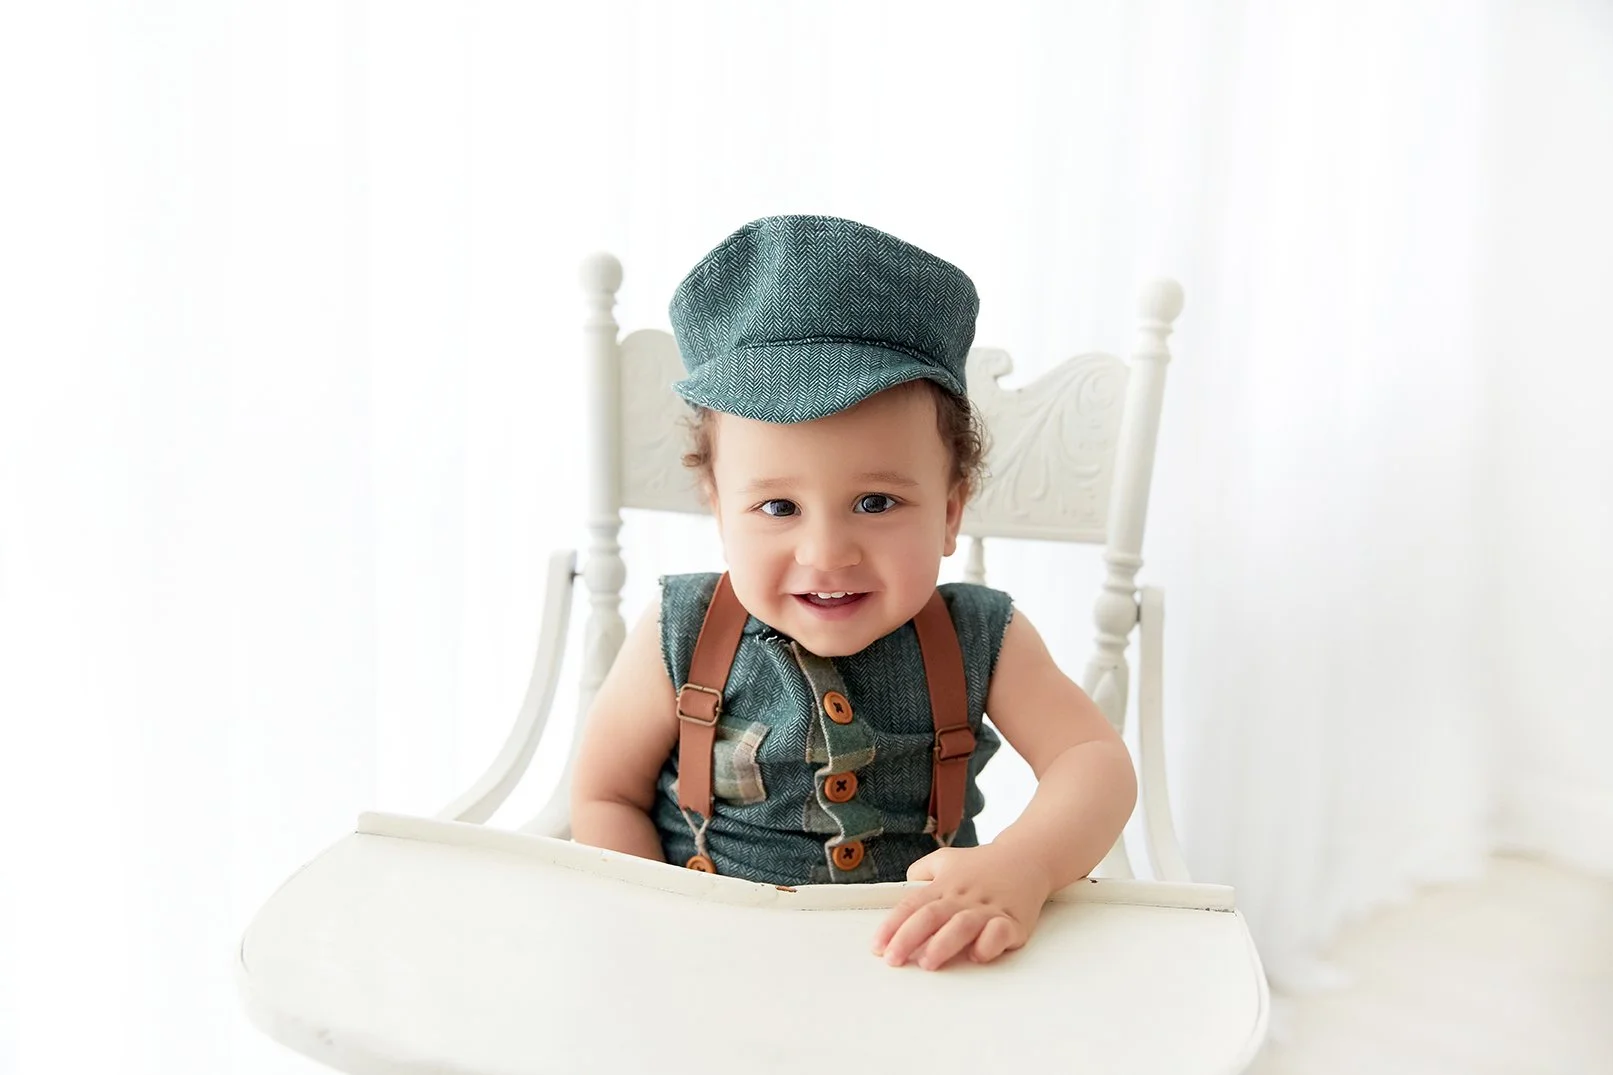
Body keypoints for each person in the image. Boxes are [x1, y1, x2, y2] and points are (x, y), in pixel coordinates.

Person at [570, 214, 1136, 971]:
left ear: (950, 510)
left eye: (875, 502)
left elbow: (1093, 759)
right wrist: (648, 921)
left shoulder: (980, 636)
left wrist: (1024, 863)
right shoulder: (681, 630)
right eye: (776, 507)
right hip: (713, 962)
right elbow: (606, 793)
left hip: (911, 964)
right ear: (716, 505)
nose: (826, 552)